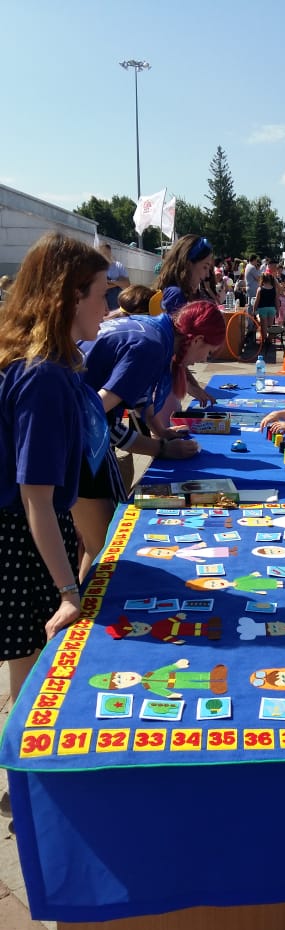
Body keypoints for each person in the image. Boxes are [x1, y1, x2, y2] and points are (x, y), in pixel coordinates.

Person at [0, 233, 109, 704]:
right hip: (23, 543)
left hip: (30, 535)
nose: (107, 310)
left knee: (31, 673)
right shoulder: (43, 377)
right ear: (70, 296)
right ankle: (21, 750)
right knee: (34, 682)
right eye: (101, 295)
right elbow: (36, 499)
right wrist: (68, 589)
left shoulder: (45, 365)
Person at [74, 301, 226, 579]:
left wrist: (160, 430)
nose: (201, 360)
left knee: (95, 541)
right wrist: (161, 448)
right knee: (105, 543)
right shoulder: (152, 347)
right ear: (197, 339)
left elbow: (136, 393)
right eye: (208, 352)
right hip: (76, 445)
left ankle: (79, 596)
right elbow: (95, 420)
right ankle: (80, 603)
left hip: (77, 438)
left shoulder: (155, 330)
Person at [154, 234, 214, 315]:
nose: (207, 275)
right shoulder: (176, 295)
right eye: (205, 267)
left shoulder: (188, 293)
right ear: (188, 264)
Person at [98, 243, 130, 312]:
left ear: (110, 252)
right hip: (104, 303)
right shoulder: (98, 268)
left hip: (118, 302)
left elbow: (127, 284)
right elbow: (101, 287)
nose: (106, 255)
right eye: (103, 253)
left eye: (107, 252)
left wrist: (109, 281)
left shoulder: (118, 265)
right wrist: (118, 282)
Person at [254, 272, 278, 346]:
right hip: (272, 308)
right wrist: (277, 310)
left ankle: (264, 340)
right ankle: (269, 340)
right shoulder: (274, 289)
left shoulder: (260, 289)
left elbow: (257, 301)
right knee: (270, 326)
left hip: (262, 308)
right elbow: (276, 301)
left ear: (262, 279)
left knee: (263, 326)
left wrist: (254, 310)